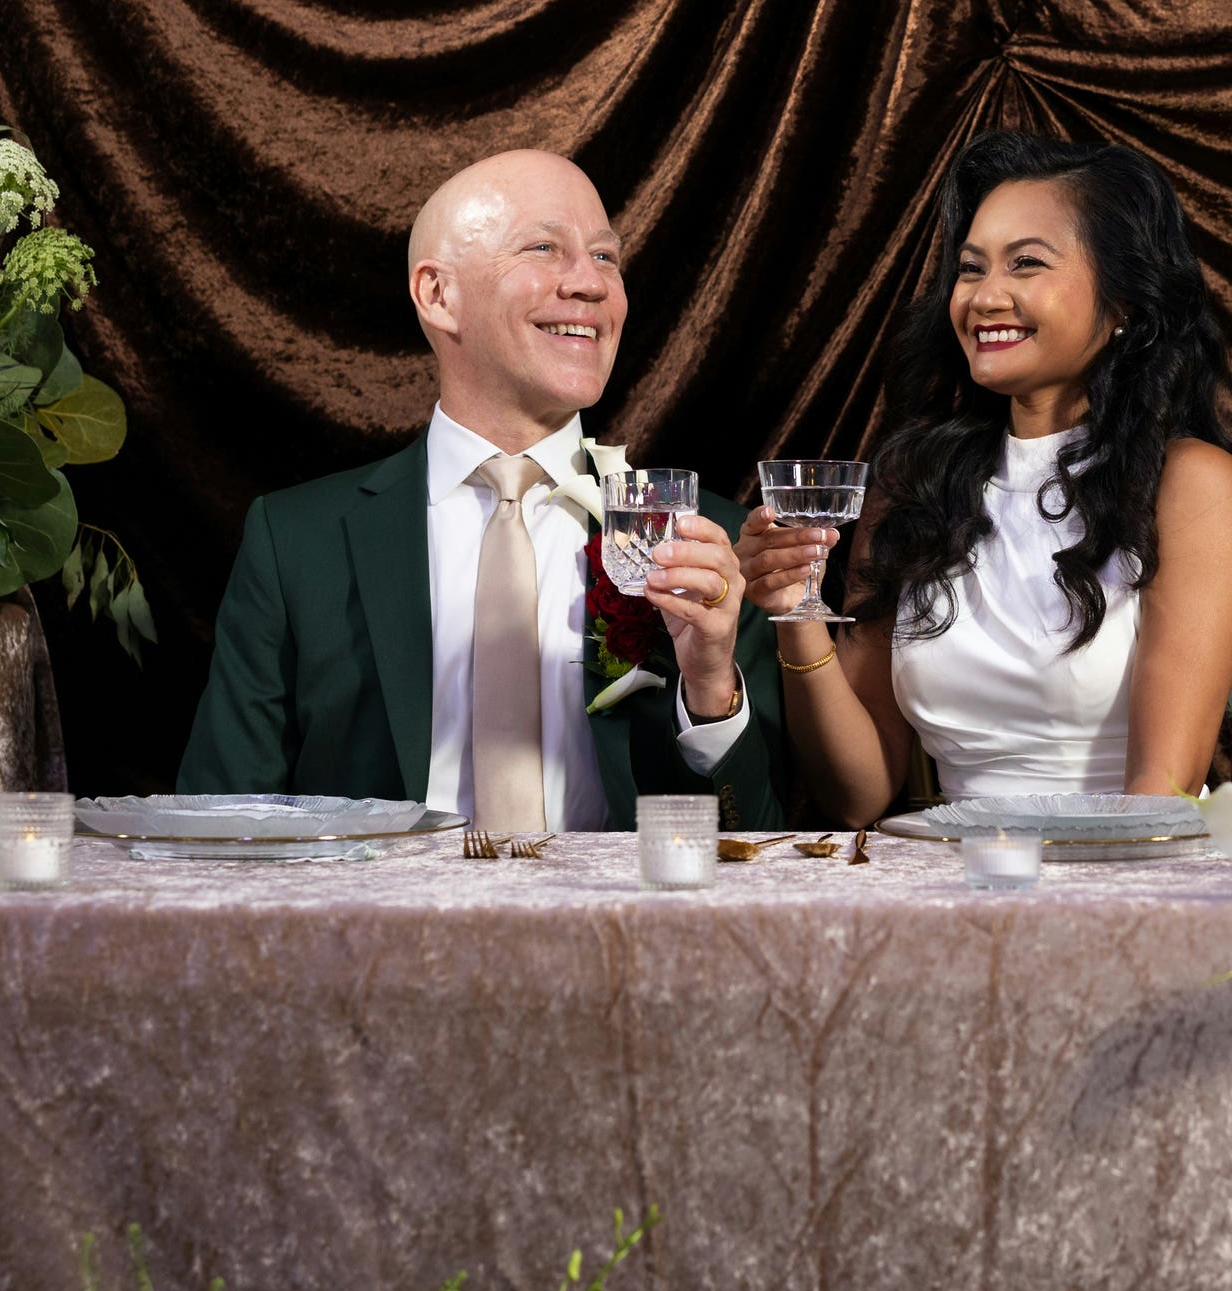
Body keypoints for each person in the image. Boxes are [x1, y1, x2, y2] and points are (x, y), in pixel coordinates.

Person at [181, 150, 783, 832]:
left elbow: (760, 844)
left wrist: (710, 689)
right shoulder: (295, 542)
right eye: (544, 248)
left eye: (606, 257)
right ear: (439, 295)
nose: (590, 283)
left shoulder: (706, 544)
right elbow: (218, 825)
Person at [736, 131, 1232, 825]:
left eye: (1026, 264)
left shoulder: (1190, 483)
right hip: (950, 868)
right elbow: (858, 794)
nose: (984, 297)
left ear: (1127, 302)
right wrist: (796, 613)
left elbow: (1162, 790)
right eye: (971, 268)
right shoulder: (913, 481)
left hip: (1123, 866)